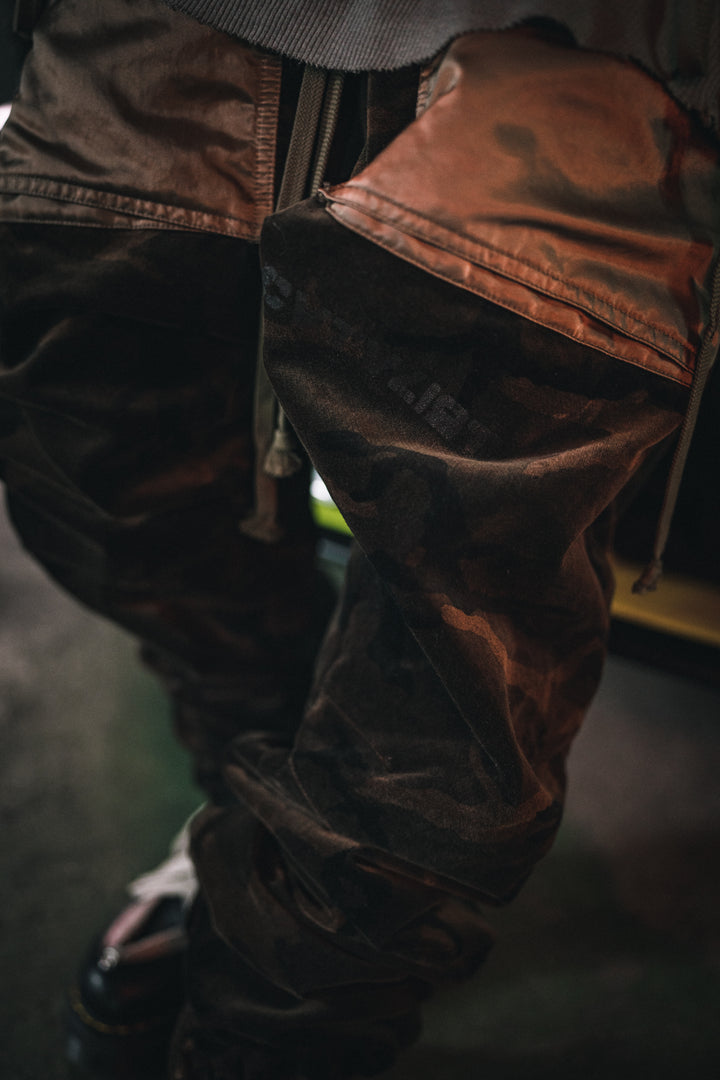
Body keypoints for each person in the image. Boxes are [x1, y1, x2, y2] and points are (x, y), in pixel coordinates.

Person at [1, 1, 719, 1078]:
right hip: (170, 26)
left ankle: (282, 1022)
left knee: (457, 662)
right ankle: (245, 823)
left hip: (594, 50)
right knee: (119, 511)